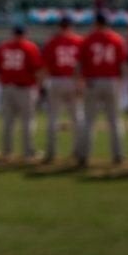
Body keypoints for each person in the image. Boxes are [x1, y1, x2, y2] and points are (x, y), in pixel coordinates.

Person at [77, 13, 128, 168]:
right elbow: (123, 64)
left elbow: (80, 64)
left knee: (89, 121)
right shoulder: (117, 39)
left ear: (96, 23)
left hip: (93, 81)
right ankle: (118, 155)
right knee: (114, 121)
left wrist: (80, 82)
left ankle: (84, 155)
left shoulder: (88, 39)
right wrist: (122, 83)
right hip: (111, 80)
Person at [0, 26, 43, 160]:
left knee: (8, 122)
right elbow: (36, 69)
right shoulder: (30, 47)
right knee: (27, 122)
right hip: (24, 88)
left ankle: (6, 151)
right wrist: (39, 86)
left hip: (7, 87)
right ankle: (28, 152)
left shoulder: (3, 47)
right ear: (25, 34)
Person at [40, 16, 84, 163]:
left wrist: (42, 85)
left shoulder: (52, 42)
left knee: (53, 118)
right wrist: (81, 83)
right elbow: (82, 65)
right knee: (77, 117)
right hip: (73, 80)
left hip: (56, 80)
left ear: (60, 26)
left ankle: (51, 152)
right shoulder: (79, 41)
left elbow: (45, 67)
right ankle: (79, 151)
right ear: (71, 26)